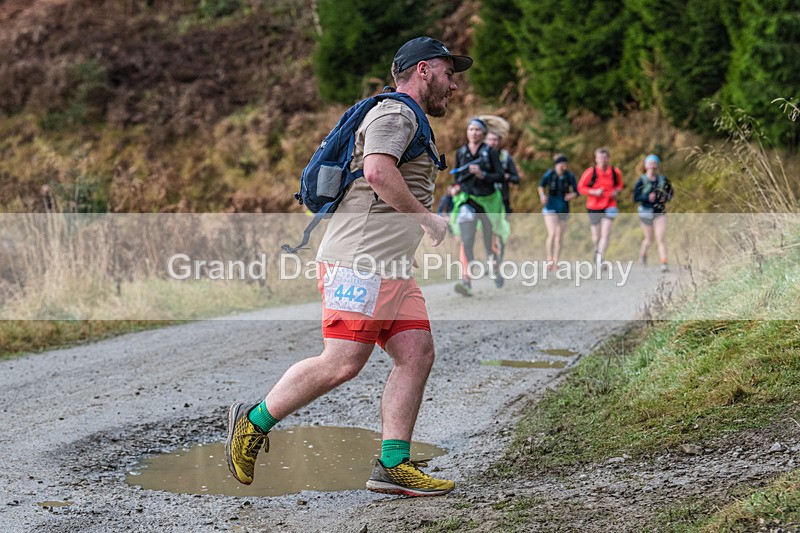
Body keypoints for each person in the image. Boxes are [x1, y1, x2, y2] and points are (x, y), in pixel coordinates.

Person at [225, 36, 472, 497]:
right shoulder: (396, 113)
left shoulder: (407, 116)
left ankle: (393, 465)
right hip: (360, 263)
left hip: (391, 266)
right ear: (422, 70)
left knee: (416, 354)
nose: (453, 85)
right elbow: (378, 171)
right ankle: (252, 422)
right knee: (341, 363)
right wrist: (426, 218)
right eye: (447, 72)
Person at [450, 117, 509, 295]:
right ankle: (466, 279)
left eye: (477, 130)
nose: (474, 133)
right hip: (468, 201)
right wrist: (456, 187)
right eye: (471, 129)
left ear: (482, 133)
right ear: (467, 132)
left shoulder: (490, 152)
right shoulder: (461, 152)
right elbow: (457, 176)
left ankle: (496, 269)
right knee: (466, 239)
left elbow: (500, 175)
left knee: (489, 241)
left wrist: (483, 174)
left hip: (488, 200)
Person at [577, 147, 624, 265]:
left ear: (608, 158)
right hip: (594, 206)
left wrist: (617, 192)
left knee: (606, 233)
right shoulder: (590, 172)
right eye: (600, 158)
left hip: (610, 205)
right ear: (596, 159)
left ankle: (600, 259)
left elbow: (620, 185)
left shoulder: (615, 172)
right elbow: (580, 187)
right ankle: (597, 251)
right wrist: (594, 192)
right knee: (596, 236)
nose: (602, 160)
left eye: (605, 157)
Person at [538, 154, 579, 270]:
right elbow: (541, 185)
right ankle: (549, 259)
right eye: (561, 164)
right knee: (552, 233)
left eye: (564, 164)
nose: (562, 166)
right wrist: (542, 195)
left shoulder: (569, 176)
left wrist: (572, 195)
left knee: (559, 236)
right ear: (556, 165)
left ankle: (556, 260)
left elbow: (577, 190)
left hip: (563, 207)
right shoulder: (549, 174)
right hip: (550, 205)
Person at [633, 154, 673, 272]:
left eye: (654, 163)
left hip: (659, 211)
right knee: (649, 240)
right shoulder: (641, 181)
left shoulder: (663, 180)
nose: (652, 166)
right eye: (650, 163)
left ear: (657, 165)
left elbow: (671, 192)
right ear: (645, 166)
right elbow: (635, 197)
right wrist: (647, 197)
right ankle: (643, 254)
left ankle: (664, 263)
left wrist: (665, 198)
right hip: (645, 211)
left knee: (661, 238)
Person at [484, 131, 520, 215]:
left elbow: (516, 179)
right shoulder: (480, 156)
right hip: (484, 198)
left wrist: (507, 177)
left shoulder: (505, 156)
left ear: (500, 141)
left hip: (502, 198)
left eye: (495, 140)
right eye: (489, 139)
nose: (492, 143)